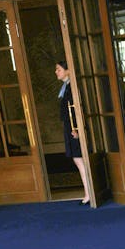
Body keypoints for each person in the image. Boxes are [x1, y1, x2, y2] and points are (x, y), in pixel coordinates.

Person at [55, 61, 90, 205]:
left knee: (80, 159)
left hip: (74, 128)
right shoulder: (66, 87)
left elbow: (76, 109)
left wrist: (77, 129)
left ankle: (89, 193)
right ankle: (88, 192)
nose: (56, 72)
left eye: (58, 69)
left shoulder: (72, 87)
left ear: (68, 70)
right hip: (70, 127)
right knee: (78, 159)